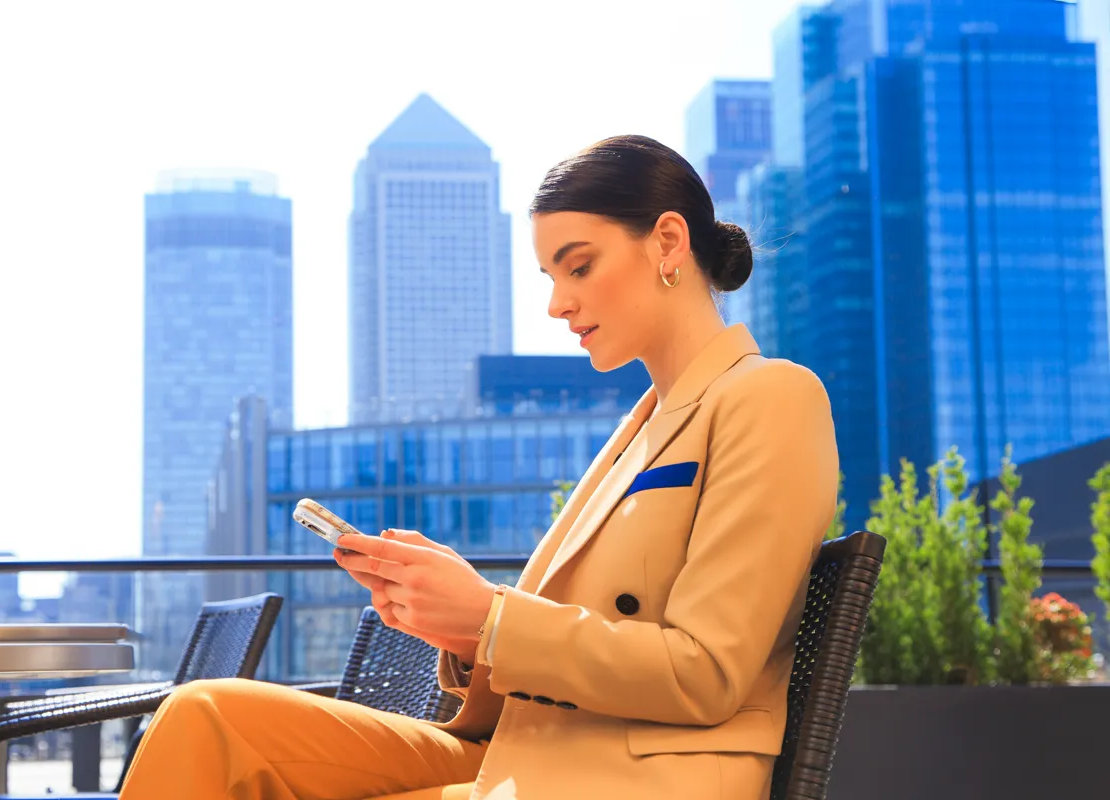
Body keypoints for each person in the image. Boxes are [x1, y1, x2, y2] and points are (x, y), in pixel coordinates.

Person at [117, 134, 839, 800]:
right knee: (204, 713)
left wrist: (490, 617)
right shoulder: (638, 428)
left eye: (579, 266)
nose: (558, 304)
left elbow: (706, 673)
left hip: (630, 779)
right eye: (549, 275)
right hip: (521, 755)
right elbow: (564, 637)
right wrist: (462, 628)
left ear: (668, 242)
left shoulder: (769, 396)